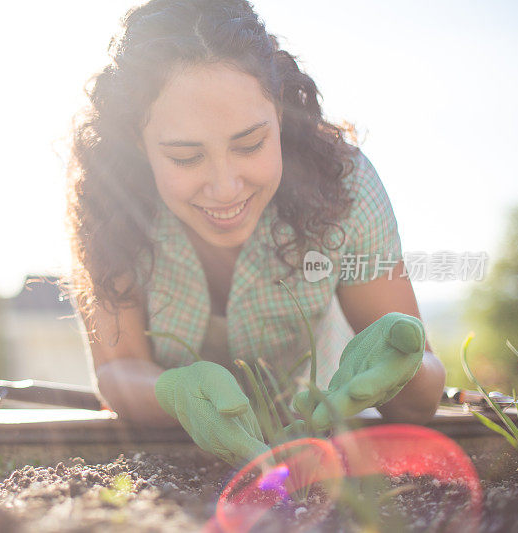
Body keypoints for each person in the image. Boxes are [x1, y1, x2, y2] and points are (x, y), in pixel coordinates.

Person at [66, 0, 445, 466]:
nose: (225, 188)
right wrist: (173, 392)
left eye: (250, 144)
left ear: (281, 115)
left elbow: (422, 392)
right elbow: (119, 369)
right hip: (167, 457)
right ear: (137, 140)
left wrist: (402, 363)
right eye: (186, 157)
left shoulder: (345, 189)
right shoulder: (108, 201)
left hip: (311, 451)